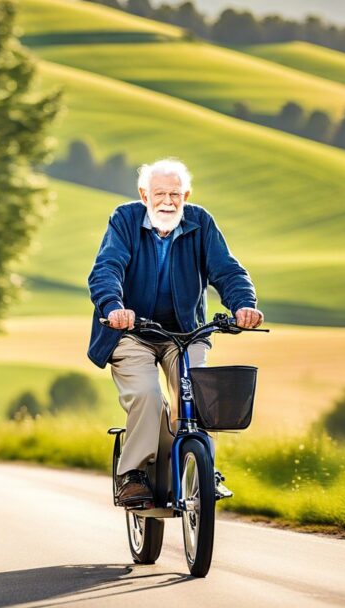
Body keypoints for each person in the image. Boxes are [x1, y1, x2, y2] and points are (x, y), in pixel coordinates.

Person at [87, 159, 263, 507]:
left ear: (186, 196)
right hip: (132, 332)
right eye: (159, 194)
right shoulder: (124, 219)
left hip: (185, 333)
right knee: (147, 396)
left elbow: (227, 271)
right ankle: (133, 474)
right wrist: (113, 307)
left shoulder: (200, 222)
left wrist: (243, 304)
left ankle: (202, 467)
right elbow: (107, 268)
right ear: (143, 195)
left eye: (175, 194)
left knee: (199, 394)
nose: (167, 202)